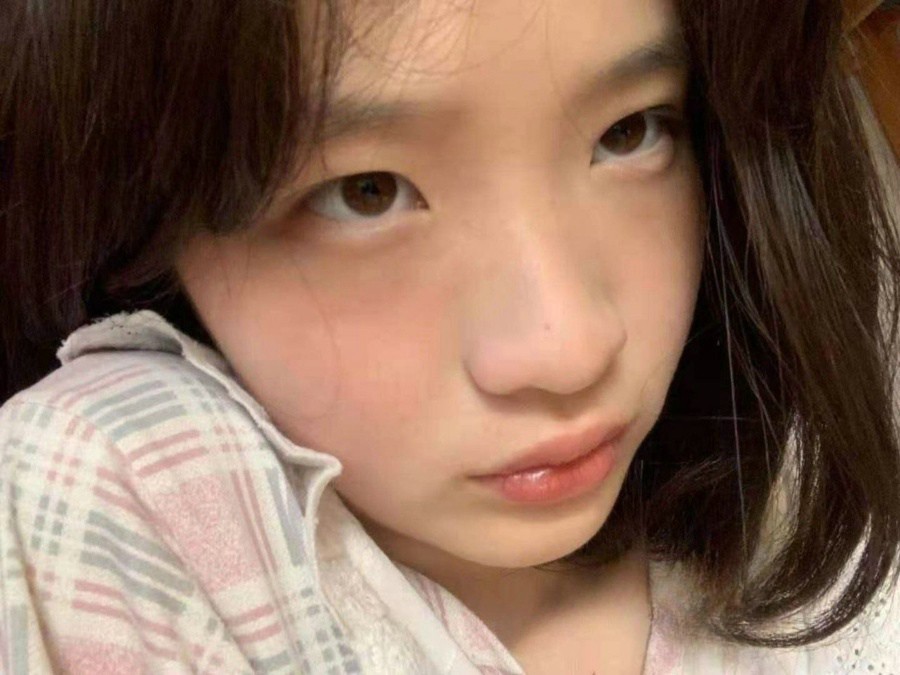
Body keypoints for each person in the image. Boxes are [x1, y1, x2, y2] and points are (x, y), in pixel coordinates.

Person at [1, 0, 898, 672]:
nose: (569, 349)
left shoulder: (795, 482)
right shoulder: (119, 493)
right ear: (150, 223)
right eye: (366, 192)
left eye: (629, 132)